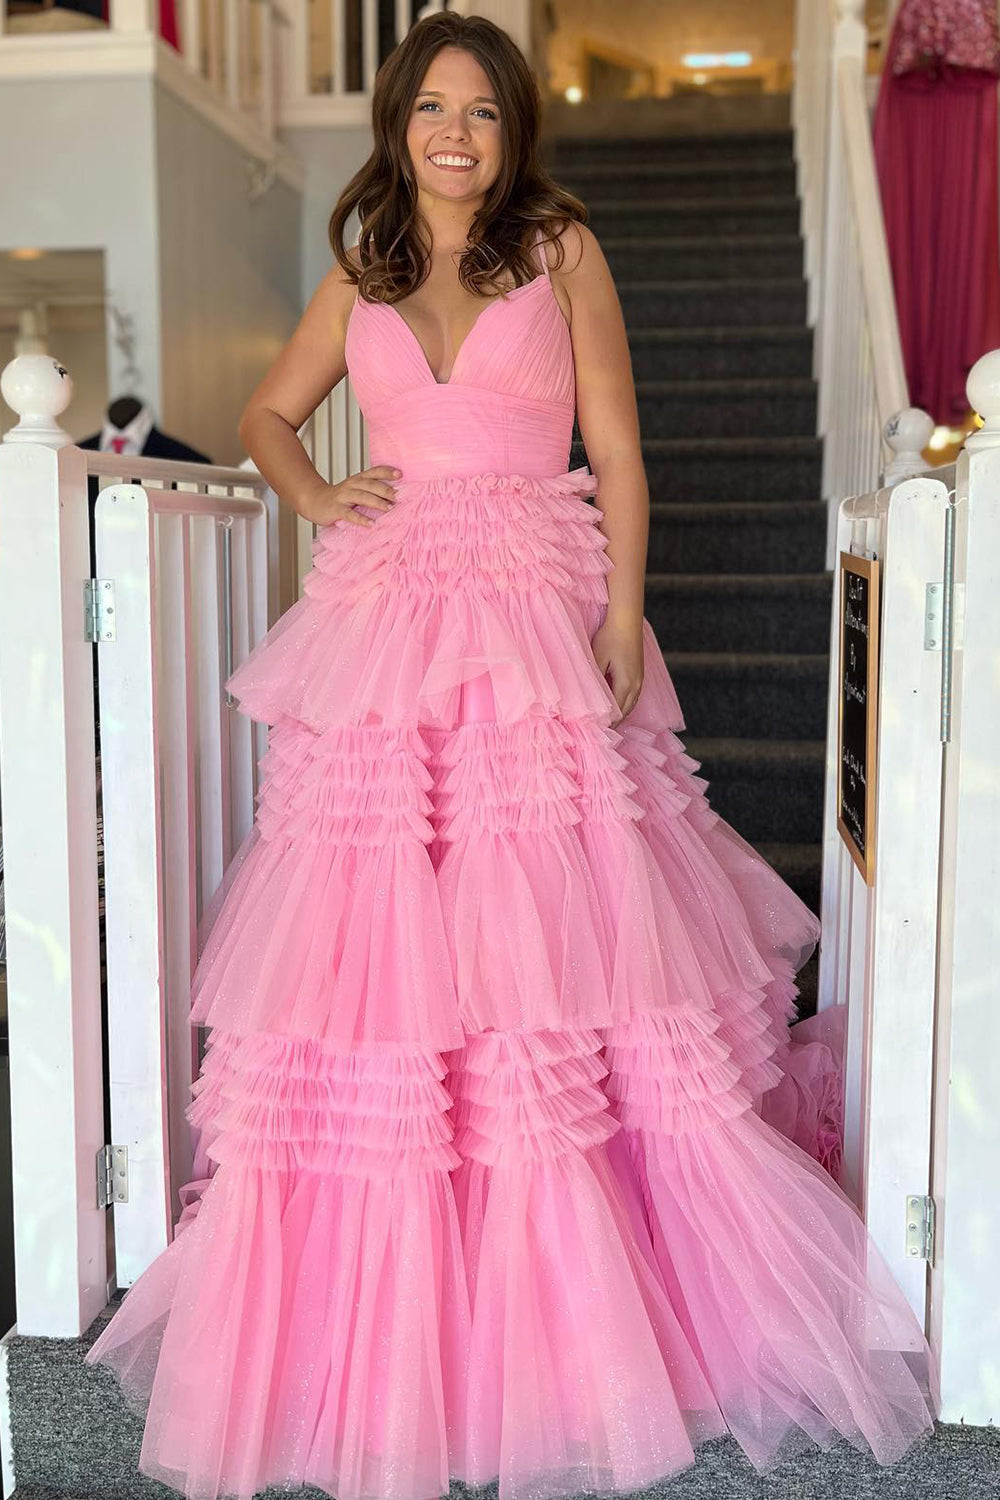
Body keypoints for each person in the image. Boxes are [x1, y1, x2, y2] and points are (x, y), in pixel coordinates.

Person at [84, 14, 938, 1499]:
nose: (457, 134)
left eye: (483, 111)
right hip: (389, 611)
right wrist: (314, 491)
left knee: (558, 949)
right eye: (433, 108)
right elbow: (267, 414)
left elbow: (615, 444)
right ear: (400, 120)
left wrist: (622, 614)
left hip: (535, 611)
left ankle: (586, 1305)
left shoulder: (561, 248)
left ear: (513, 127)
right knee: (387, 957)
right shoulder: (359, 256)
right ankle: (406, 1311)